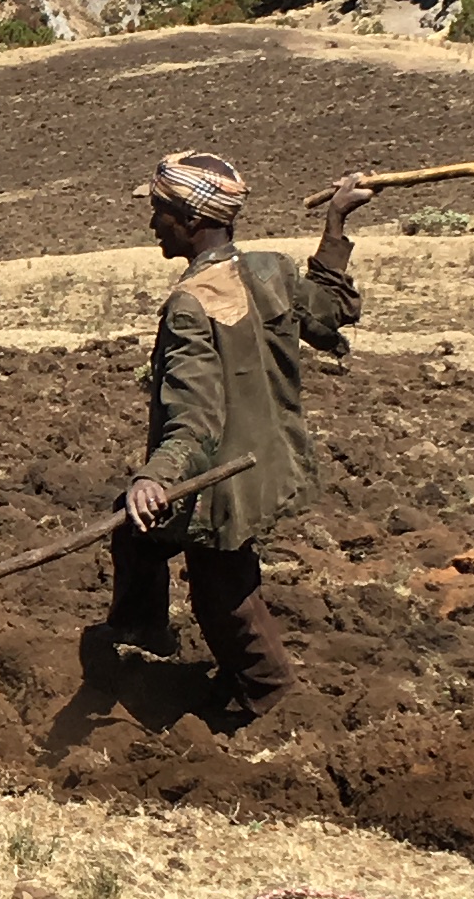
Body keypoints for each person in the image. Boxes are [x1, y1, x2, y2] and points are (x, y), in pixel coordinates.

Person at [106, 149, 370, 719]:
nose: (153, 223)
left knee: (222, 591)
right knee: (138, 539)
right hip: (269, 456)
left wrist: (155, 477)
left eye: (160, 211)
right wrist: (335, 227)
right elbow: (328, 314)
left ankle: (270, 698)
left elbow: (195, 417)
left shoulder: (190, 304)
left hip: (221, 477)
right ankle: (141, 635)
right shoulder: (271, 271)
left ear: (193, 221)